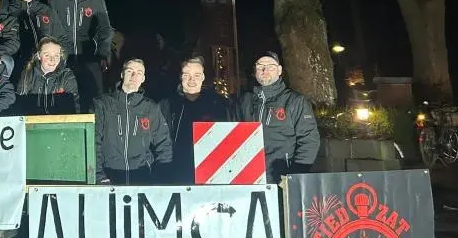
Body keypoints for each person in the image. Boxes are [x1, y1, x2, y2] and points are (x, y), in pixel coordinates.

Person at [236, 51, 320, 184]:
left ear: (279, 70)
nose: (265, 70)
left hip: (282, 179)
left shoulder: (295, 101)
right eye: (260, 66)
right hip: (249, 178)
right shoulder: (245, 101)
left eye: (271, 66)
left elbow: (309, 140)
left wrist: (295, 175)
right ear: (255, 71)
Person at [93, 59, 172, 185]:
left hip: (142, 175)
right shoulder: (103, 104)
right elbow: (93, 142)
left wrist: (160, 176)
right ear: (122, 74)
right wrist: (99, 175)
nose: (134, 76)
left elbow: (164, 143)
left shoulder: (150, 107)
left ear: (143, 78)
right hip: (110, 175)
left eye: (139, 73)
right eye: (130, 71)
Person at [48, 0, 113, 111]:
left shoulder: (96, 0)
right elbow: (50, 29)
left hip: (89, 55)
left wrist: (103, 54)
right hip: (63, 56)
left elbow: (105, 29)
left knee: (94, 97)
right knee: (64, 95)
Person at [160, 56, 234, 184]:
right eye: (186, 75)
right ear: (180, 77)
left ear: (203, 77)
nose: (191, 80)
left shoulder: (220, 105)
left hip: (211, 173)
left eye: (197, 75)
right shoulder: (166, 105)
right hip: (176, 173)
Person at [7, 0, 70, 72]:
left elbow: (62, 38)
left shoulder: (46, 10)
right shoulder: (9, 12)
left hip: (48, 67)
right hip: (22, 68)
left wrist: (60, 63)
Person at [16, 37, 79, 115]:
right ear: (39, 56)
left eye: (56, 56)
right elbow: (19, 105)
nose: (52, 60)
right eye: (47, 55)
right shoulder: (27, 74)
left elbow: (75, 106)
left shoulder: (66, 76)